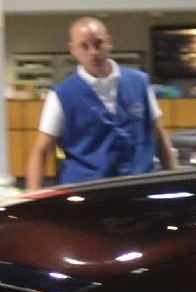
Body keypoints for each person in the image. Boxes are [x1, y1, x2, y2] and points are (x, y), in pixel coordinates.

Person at [25, 17, 179, 191]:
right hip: (87, 191)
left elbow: (158, 133)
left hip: (139, 186)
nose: (93, 52)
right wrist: (32, 195)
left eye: (98, 44)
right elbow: (41, 150)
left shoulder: (138, 82)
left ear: (109, 43)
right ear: (73, 49)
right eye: (84, 46)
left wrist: (175, 182)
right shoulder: (61, 95)